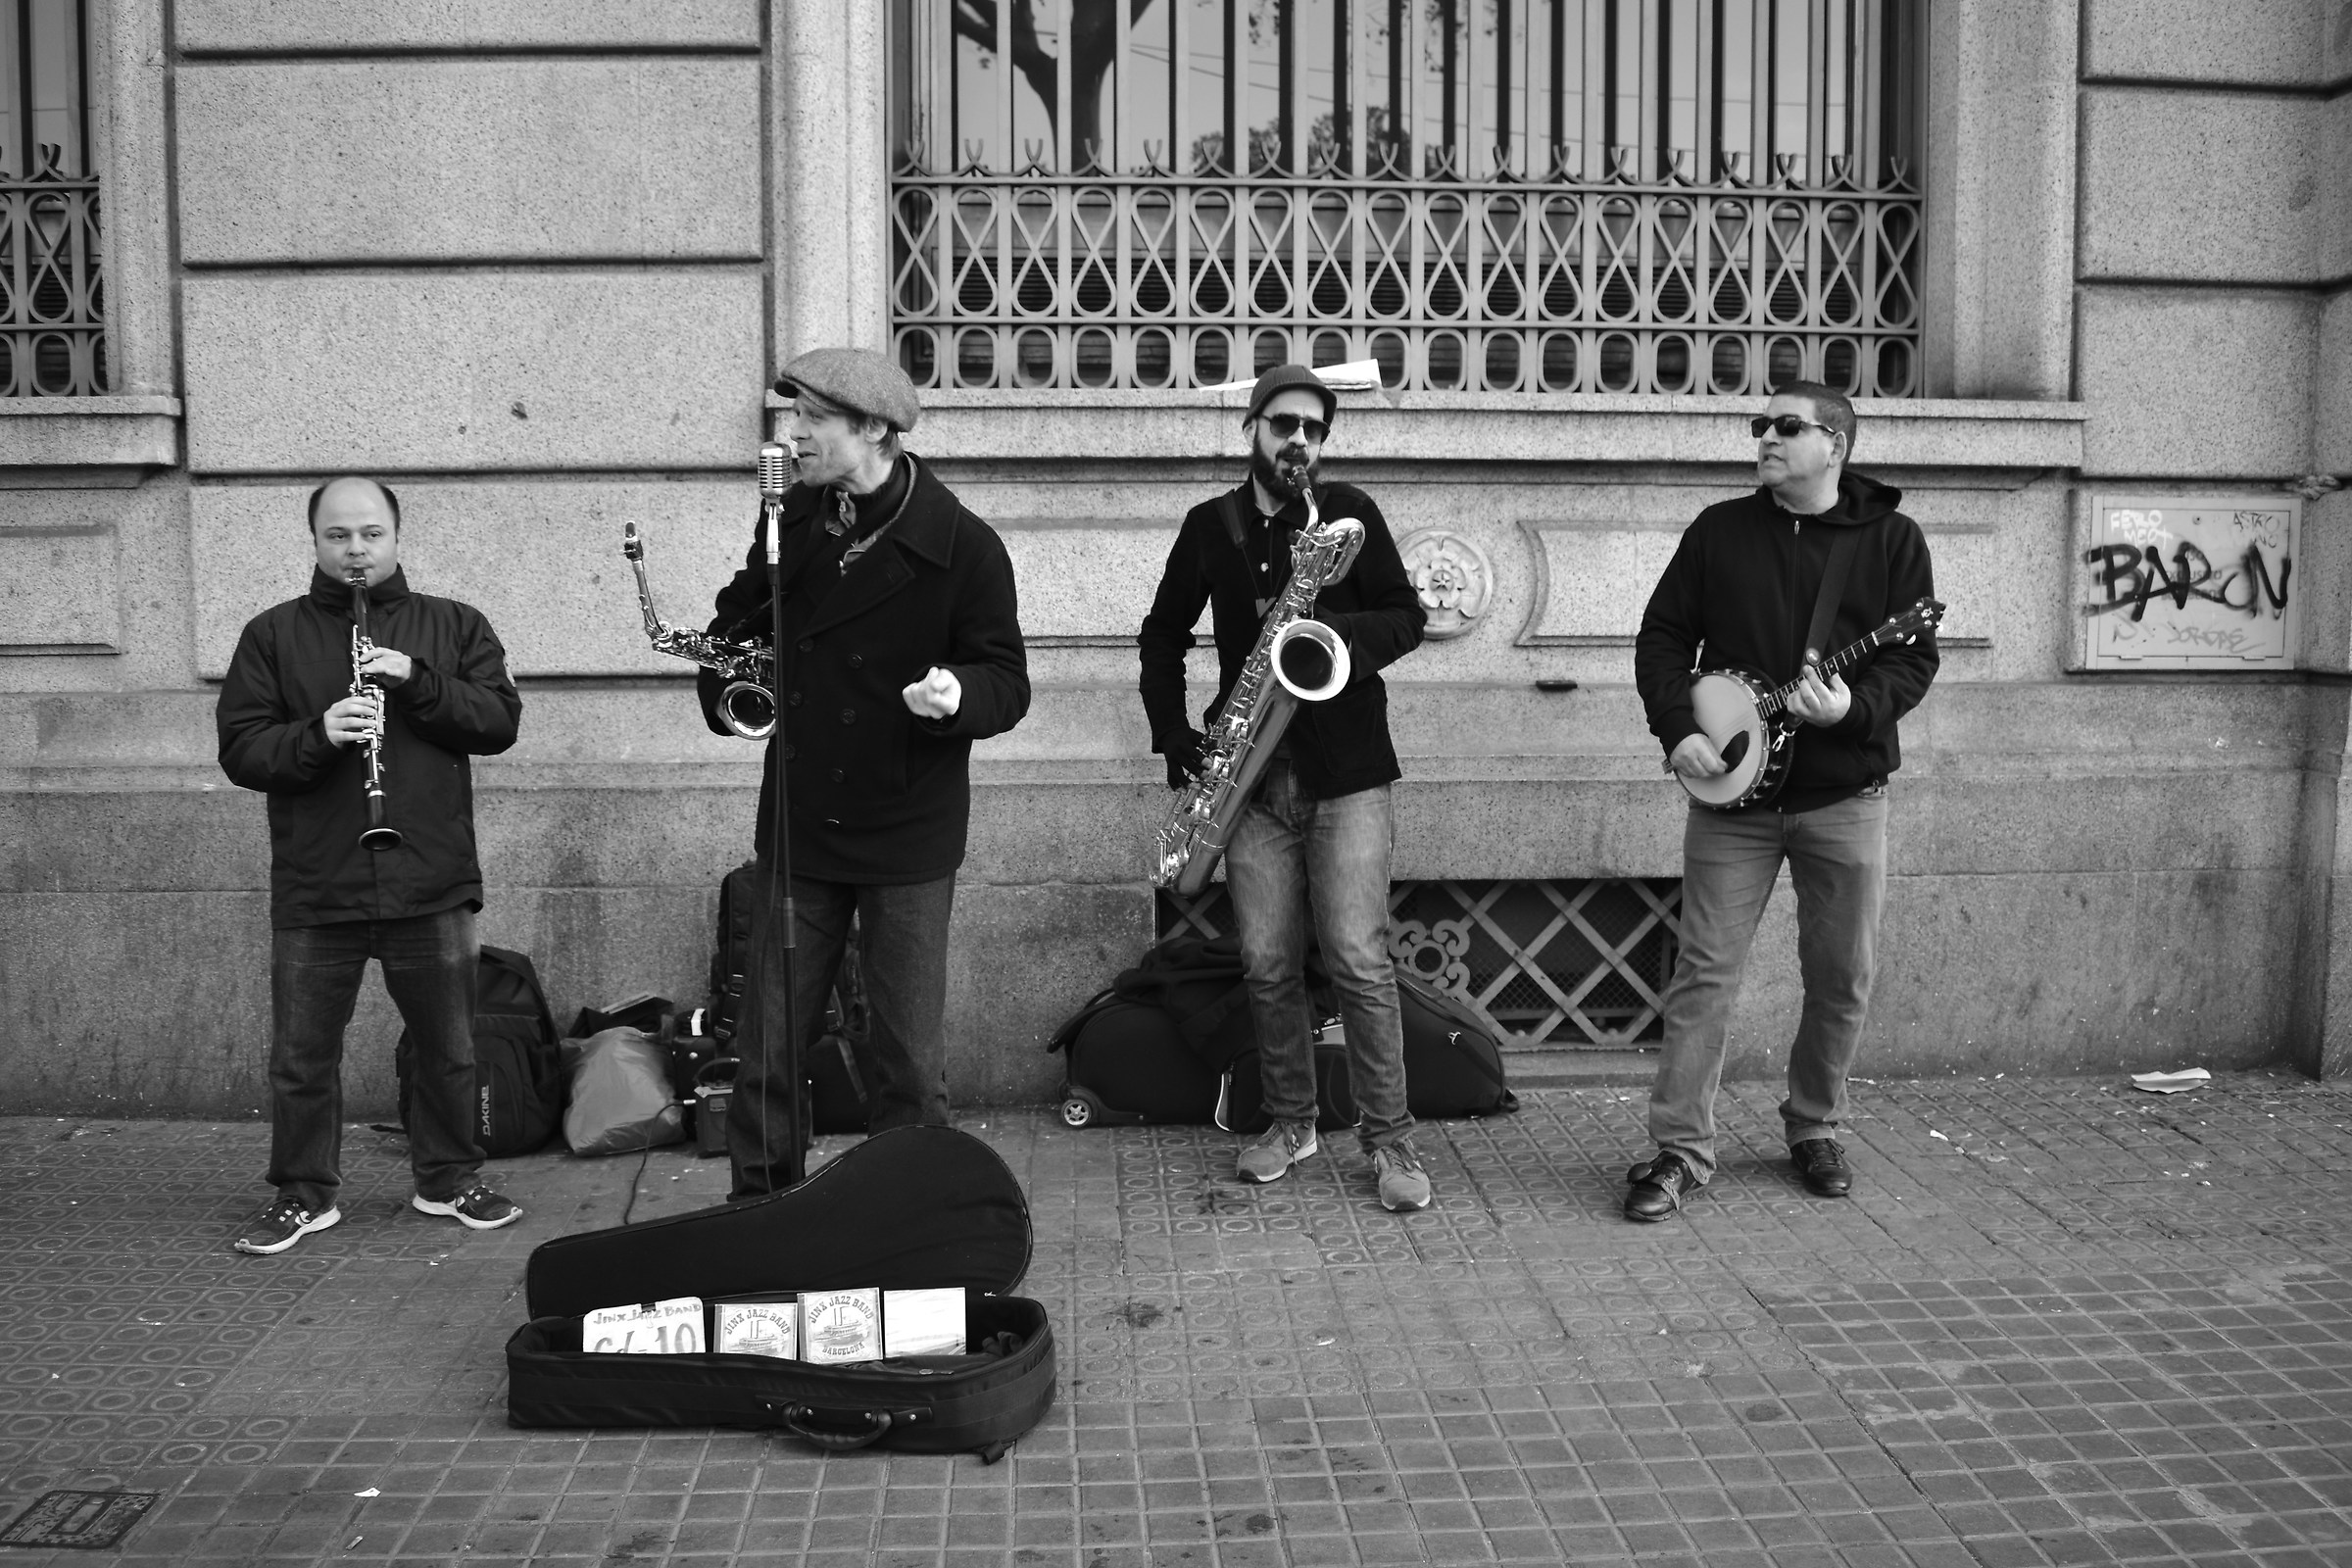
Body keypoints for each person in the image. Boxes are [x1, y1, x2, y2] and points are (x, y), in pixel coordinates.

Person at [706, 348, 1029, 1199]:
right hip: (801, 824)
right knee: (767, 1048)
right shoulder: (794, 522)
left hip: (906, 832)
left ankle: (910, 1216)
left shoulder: (962, 544)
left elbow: (1008, 679)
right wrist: (728, 682)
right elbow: (739, 620)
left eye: (813, 418)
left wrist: (959, 693)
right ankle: (761, 1211)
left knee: (909, 1063)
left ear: (875, 429)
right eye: (793, 416)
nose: (795, 434)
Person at [1624, 383, 1939, 1221]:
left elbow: (1911, 662)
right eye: (1759, 424)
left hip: (1846, 795)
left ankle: (1814, 1125)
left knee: (1841, 977)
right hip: (1733, 802)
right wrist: (1675, 729)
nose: (1764, 436)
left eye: (1785, 427)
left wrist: (1852, 711)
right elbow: (1661, 639)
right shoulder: (1719, 532)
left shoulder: (1892, 541)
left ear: (1833, 444)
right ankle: (1680, 1149)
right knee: (1704, 977)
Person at [1139, 365, 1433, 1211]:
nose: (1298, 440)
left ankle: (1391, 1141)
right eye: (1282, 423)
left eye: (1313, 428)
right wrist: (1172, 735)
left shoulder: (1351, 519)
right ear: (1253, 429)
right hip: (1252, 783)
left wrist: (1328, 629)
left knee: (1358, 962)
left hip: (1348, 776)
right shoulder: (1210, 527)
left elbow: (1407, 619)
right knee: (1267, 965)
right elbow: (1161, 635)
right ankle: (1292, 1123)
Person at [216, 476, 525, 1254]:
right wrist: (320, 733)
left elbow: (497, 723)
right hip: (320, 882)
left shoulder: (453, 625)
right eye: (338, 536)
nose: (356, 550)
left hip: (430, 876)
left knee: (449, 1047)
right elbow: (243, 750)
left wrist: (417, 680)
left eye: (371, 535)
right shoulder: (272, 635)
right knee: (301, 1056)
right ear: (315, 541)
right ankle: (303, 1192)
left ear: (396, 536)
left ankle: (449, 1179)